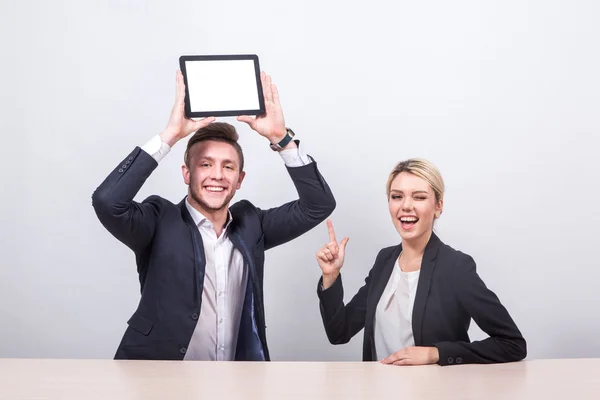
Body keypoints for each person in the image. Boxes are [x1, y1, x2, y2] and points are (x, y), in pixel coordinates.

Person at [92, 70, 335, 361]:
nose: (217, 175)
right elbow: (107, 202)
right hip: (158, 377)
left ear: (240, 179)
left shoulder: (252, 225)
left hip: (235, 381)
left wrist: (281, 139)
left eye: (228, 167)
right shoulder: (158, 220)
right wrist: (170, 136)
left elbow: (317, 205)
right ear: (187, 173)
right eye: (205, 165)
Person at [315, 158, 526, 366]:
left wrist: (436, 353)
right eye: (397, 196)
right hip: (378, 392)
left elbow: (513, 344)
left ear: (438, 206)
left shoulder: (455, 266)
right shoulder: (384, 261)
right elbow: (339, 332)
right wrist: (331, 277)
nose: (406, 206)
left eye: (419, 197)